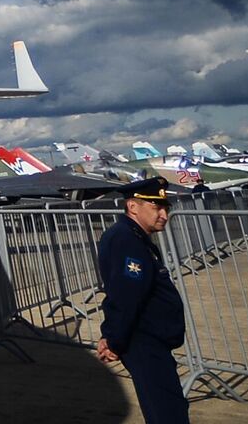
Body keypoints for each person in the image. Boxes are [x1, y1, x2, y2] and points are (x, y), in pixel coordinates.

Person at [96, 177, 189, 424]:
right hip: (143, 341)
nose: (164, 215)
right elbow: (127, 296)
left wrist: (110, 336)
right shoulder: (126, 239)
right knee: (166, 413)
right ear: (133, 206)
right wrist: (114, 340)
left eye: (165, 208)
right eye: (156, 207)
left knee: (168, 407)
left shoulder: (134, 236)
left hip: (149, 339)